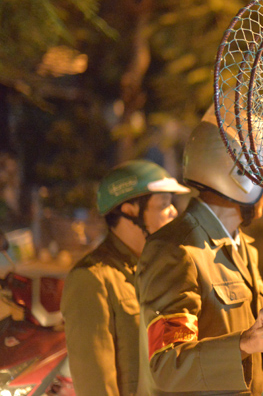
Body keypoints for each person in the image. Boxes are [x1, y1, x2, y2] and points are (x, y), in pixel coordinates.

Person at [135, 118, 263, 395]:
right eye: (262, 175)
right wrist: (243, 343)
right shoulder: (176, 250)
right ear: (235, 174)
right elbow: (167, 365)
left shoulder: (243, 247)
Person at [61, 160, 191, 396]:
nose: (174, 212)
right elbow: (95, 384)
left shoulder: (161, 268)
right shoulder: (92, 279)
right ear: (130, 211)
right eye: (164, 205)